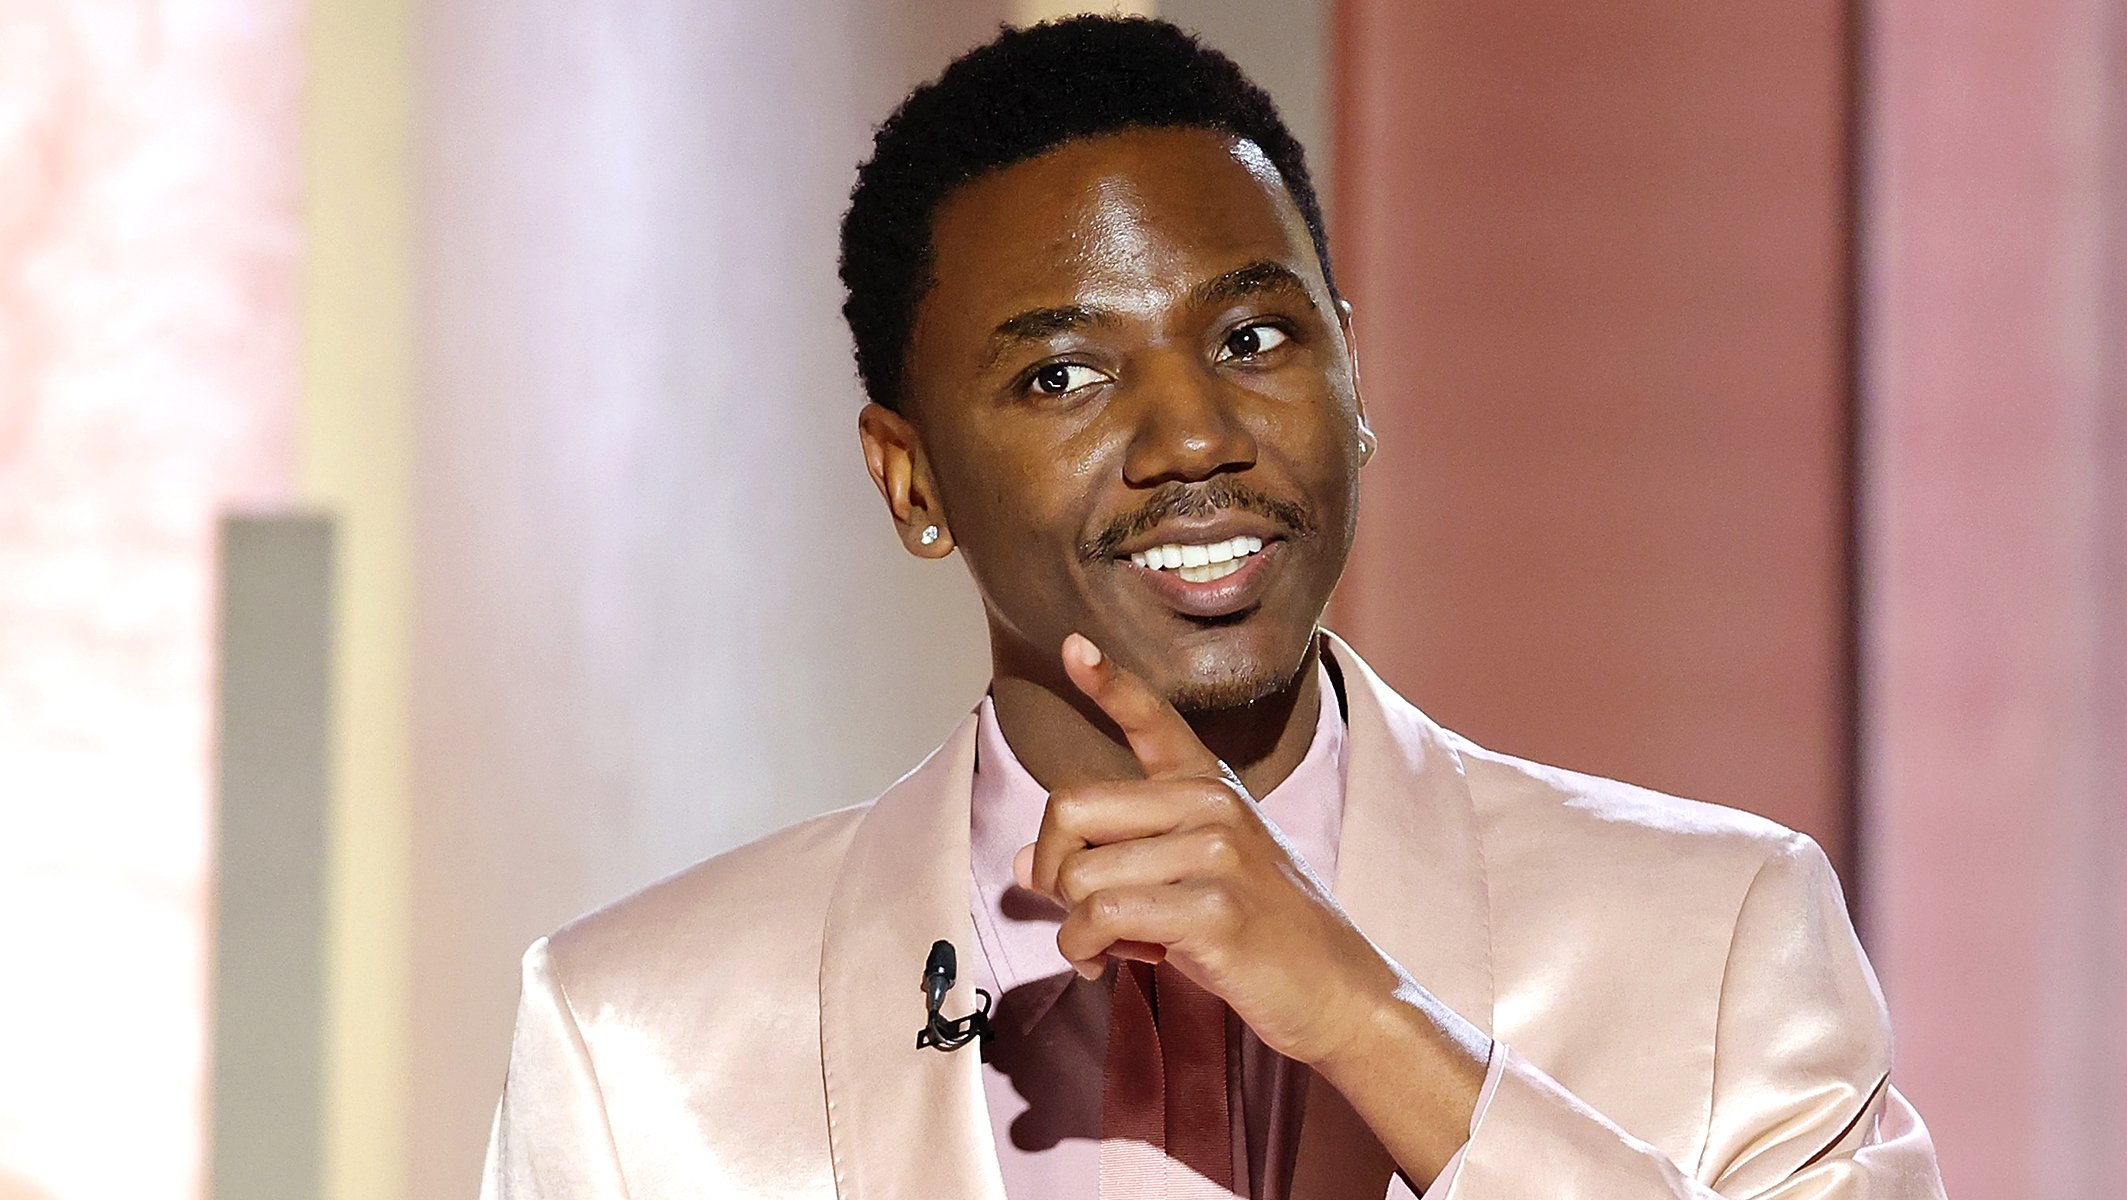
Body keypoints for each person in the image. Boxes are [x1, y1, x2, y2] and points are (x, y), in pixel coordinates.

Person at [482, 16, 1945, 1200]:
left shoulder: (1718, 932)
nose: (1196, 436)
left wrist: (1376, 1027)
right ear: (910, 478)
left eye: (1254, 337)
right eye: (1062, 374)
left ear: (1353, 382)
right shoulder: (638, 1036)